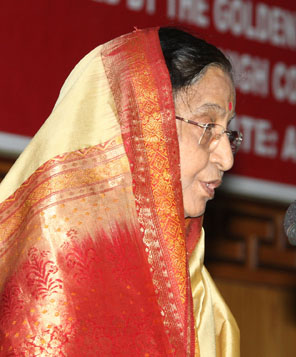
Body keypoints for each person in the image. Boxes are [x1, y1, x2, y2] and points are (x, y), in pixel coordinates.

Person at [0, 27, 241, 356]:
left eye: (229, 133)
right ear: (143, 123)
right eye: (208, 126)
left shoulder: (201, 300)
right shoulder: (51, 281)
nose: (226, 158)